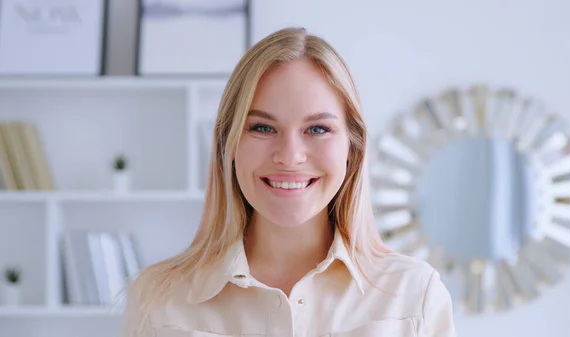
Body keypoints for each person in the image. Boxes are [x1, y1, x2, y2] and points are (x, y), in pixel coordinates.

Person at [120, 27, 456, 337]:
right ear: (229, 145)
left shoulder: (415, 295)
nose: (290, 156)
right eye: (263, 128)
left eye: (318, 129)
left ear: (352, 150)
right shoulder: (158, 299)